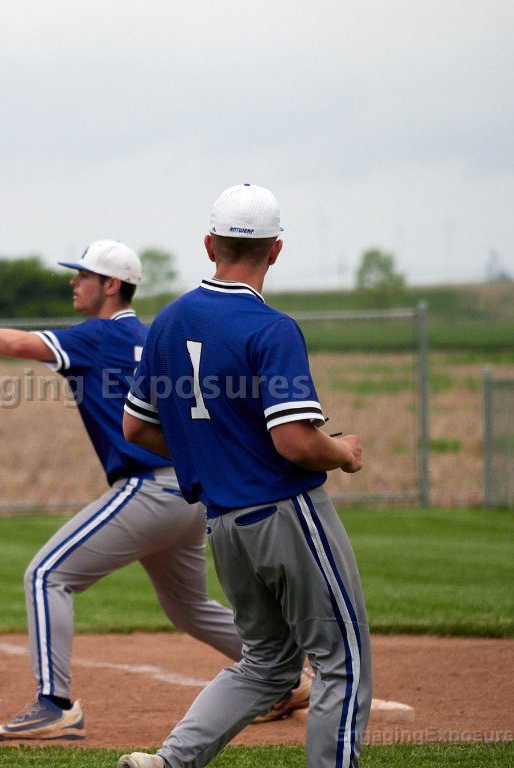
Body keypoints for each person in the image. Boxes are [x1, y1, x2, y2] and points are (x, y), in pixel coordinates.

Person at [0, 240, 309, 741]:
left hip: (149, 490)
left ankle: (54, 706)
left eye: (83, 275)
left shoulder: (98, 335)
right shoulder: (154, 336)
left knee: (46, 575)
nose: (74, 282)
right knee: (187, 606)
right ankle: (289, 678)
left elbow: (22, 344)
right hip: (189, 493)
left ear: (111, 285)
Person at [120, 184, 372, 768]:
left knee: (266, 664)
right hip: (285, 512)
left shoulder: (168, 321)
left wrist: (212, 453)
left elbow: (136, 428)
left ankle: (168, 762)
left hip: (224, 525)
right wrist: (342, 451)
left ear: (210, 245)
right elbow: (295, 442)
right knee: (342, 661)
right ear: (275, 250)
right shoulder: (271, 328)